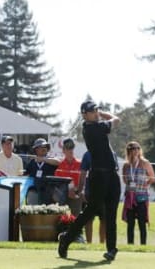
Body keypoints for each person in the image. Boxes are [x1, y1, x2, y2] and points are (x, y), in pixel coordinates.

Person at [58, 101, 121, 261]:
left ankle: (111, 249)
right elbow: (117, 120)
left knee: (112, 212)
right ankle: (67, 237)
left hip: (112, 175)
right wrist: (104, 113)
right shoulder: (91, 128)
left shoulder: (97, 125)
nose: (95, 113)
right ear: (84, 115)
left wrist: (99, 113)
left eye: (96, 110)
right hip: (99, 176)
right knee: (91, 211)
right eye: (92, 111)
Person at [122, 141, 155, 245]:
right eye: (133, 148)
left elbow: (152, 178)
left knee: (142, 223)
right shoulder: (126, 165)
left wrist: (146, 184)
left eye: (137, 148)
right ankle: (130, 245)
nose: (136, 150)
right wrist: (130, 185)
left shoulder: (145, 162)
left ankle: (143, 245)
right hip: (130, 197)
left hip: (141, 197)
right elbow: (124, 179)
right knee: (130, 224)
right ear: (129, 151)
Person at [78, 150, 105, 243]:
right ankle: (89, 243)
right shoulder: (87, 154)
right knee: (88, 219)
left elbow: (113, 173)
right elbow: (82, 173)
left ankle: (102, 244)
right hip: (90, 193)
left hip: (104, 193)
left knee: (104, 219)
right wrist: (81, 190)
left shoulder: (110, 153)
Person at [25, 138, 60, 205]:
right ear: (36, 149)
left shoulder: (50, 159)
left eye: (45, 146)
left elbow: (58, 162)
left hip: (49, 192)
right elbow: (26, 173)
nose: (44, 148)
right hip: (34, 191)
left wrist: (43, 159)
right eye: (41, 147)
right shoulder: (32, 162)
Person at [55, 138, 83, 218]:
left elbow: (82, 181)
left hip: (76, 195)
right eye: (67, 148)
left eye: (71, 147)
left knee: (76, 219)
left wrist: (76, 190)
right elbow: (58, 183)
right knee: (60, 218)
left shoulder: (80, 164)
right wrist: (68, 190)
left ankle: (75, 230)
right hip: (63, 195)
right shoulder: (60, 165)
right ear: (63, 150)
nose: (70, 150)